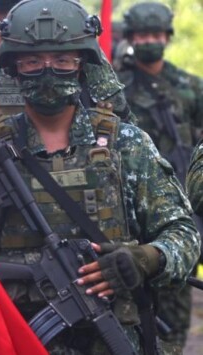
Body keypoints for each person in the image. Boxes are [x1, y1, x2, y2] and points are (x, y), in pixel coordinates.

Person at [0, 0, 200, 353]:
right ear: (13, 68)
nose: (48, 71)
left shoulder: (126, 145)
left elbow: (183, 235)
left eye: (63, 60)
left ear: (82, 64)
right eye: (33, 62)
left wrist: (147, 258)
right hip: (13, 338)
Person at [116, 2, 203, 351]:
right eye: (142, 35)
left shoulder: (189, 86)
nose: (149, 41)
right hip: (133, 210)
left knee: (177, 307)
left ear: (166, 37)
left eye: (155, 34)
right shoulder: (118, 87)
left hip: (181, 209)